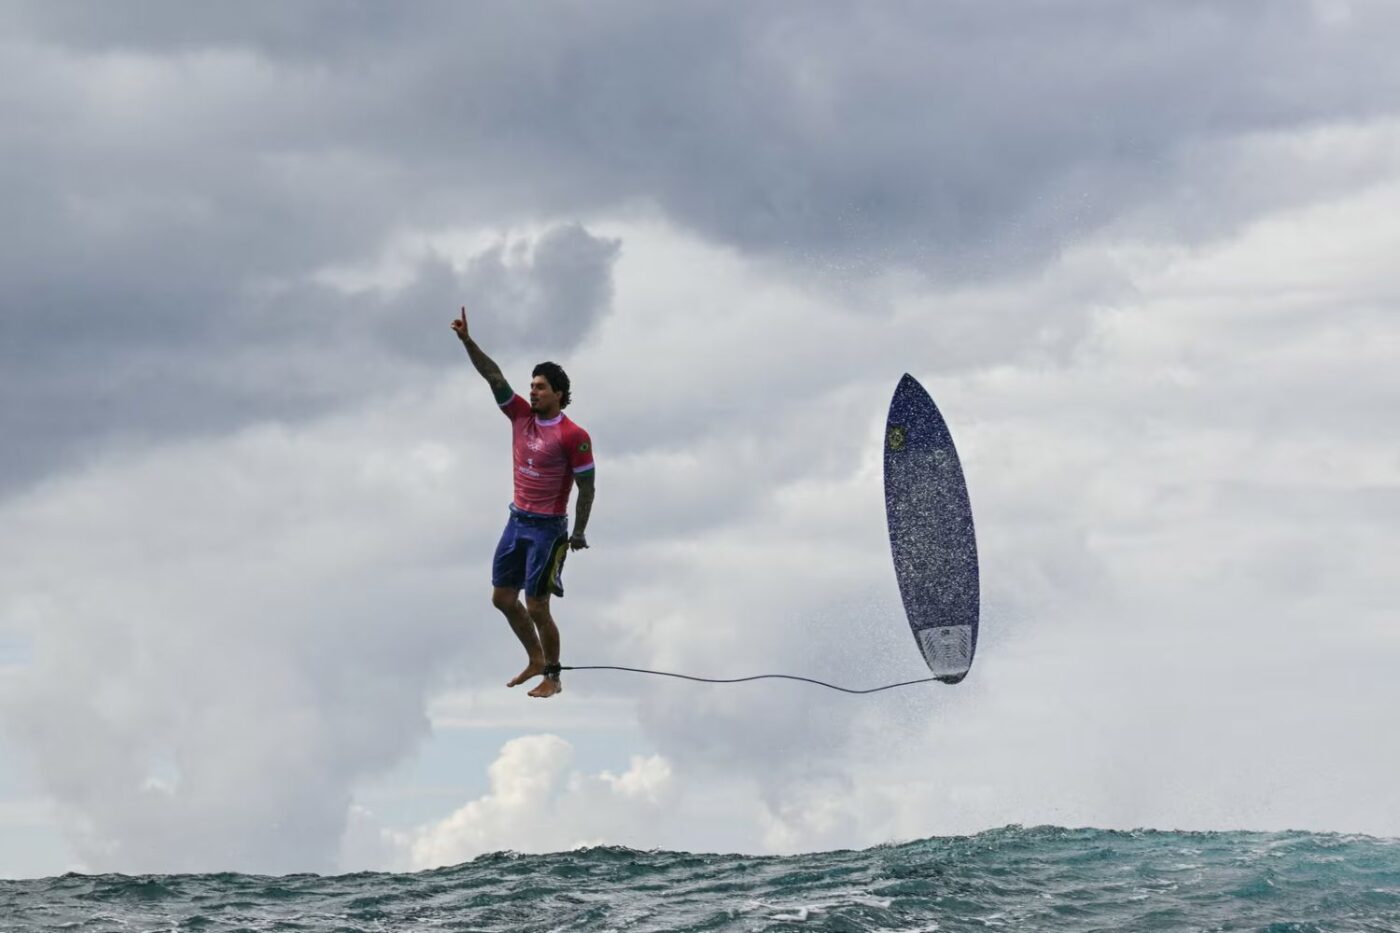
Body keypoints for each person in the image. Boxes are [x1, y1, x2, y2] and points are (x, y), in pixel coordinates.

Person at [451, 306, 595, 698]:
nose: (532, 391)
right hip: (517, 521)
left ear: (559, 394)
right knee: (502, 598)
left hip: (548, 529)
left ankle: (553, 675)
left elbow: (587, 487)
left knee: (536, 605)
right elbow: (493, 375)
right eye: (531, 386)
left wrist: (579, 531)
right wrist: (467, 341)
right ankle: (534, 658)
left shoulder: (573, 435)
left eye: (541, 387)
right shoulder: (519, 416)